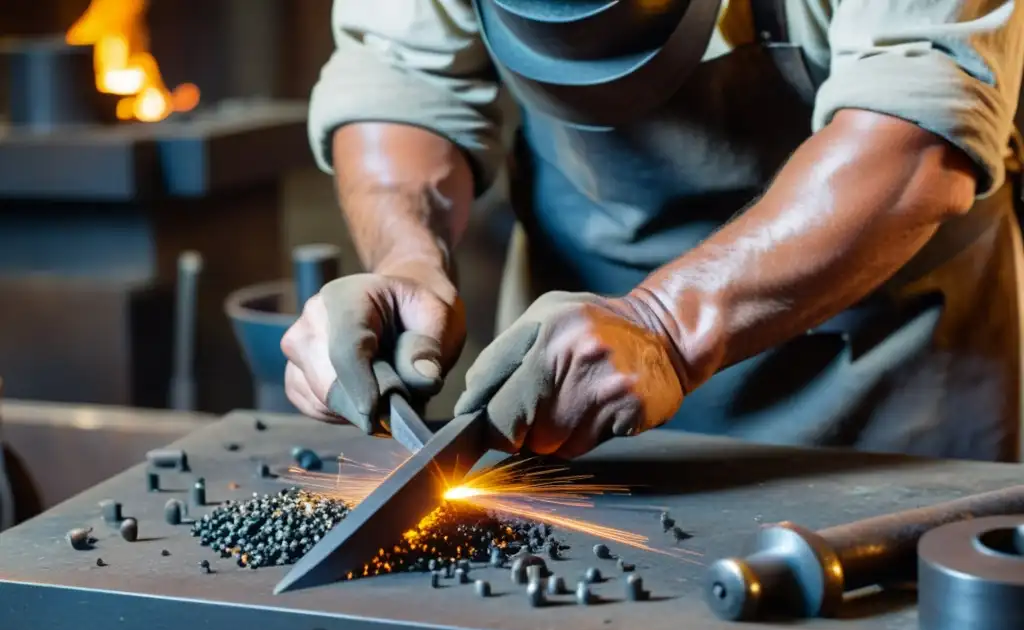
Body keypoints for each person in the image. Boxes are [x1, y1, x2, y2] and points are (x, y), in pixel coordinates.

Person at [282, 0, 1024, 462]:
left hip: (879, 373)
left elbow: (917, 132)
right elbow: (404, 75)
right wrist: (409, 258)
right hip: (566, 372)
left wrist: (663, 324)